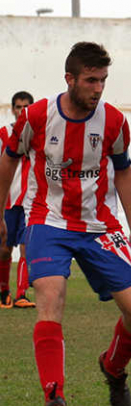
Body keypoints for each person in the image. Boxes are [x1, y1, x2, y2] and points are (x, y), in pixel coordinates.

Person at [0, 42, 131, 406]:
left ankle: (113, 368)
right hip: (46, 220)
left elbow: (123, 171)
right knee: (50, 299)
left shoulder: (114, 121)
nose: (98, 88)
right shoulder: (36, 116)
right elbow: (8, 160)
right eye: (90, 80)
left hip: (99, 225)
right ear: (69, 79)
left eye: (102, 80)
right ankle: (55, 395)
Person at [0, 91, 35, 308]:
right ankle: (4, 291)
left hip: (31, 201)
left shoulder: (39, 134)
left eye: (26, 107)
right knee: (4, 248)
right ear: (13, 109)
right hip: (8, 201)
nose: (22, 111)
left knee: (26, 247)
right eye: (18, 107)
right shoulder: (4, 133)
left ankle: (22, 294)